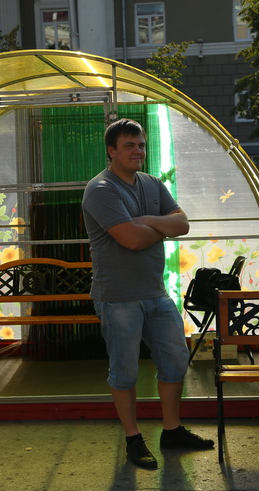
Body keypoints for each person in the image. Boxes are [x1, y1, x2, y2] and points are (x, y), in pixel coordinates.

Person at [81, 118, 214, 470]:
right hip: (117, 298)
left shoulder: (152, 184)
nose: (137, 151)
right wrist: (159, 225)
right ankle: (133, 439)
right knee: (124, 372)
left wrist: (146, 220)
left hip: (156, 293)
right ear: (111, 151)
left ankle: (172, 431)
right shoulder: (101, 190)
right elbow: (132, 239)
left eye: (140, 144)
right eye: (129, 145)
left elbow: (183, 224)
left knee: (175, 361)